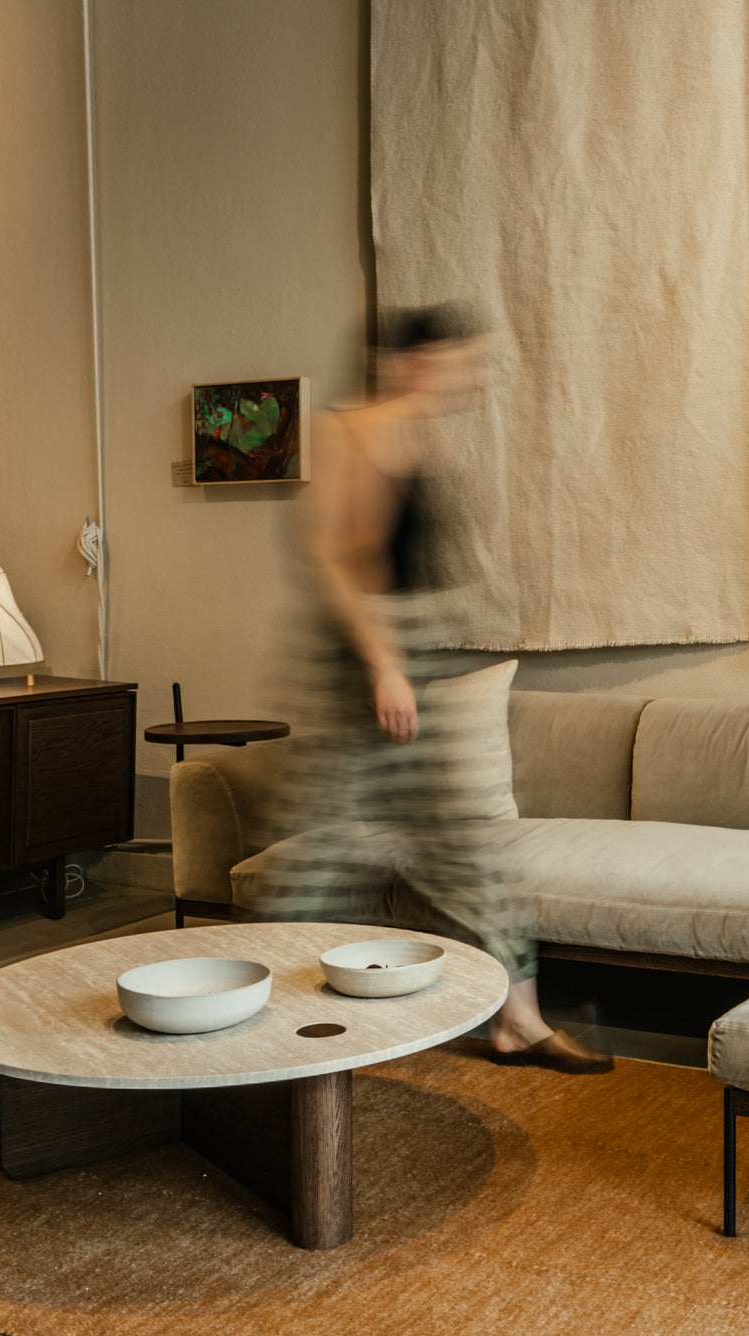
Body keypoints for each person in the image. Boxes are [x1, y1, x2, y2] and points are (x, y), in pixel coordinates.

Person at [256, 305, 611, 1075]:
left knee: (469, 849)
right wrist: (384, 665)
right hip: (361, 663)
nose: (473, 377)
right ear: (415, 362)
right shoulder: (353, 432)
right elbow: (338, 561)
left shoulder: (419, 439)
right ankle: (246, 1019)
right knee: (317, 860)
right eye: (462, 361)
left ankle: (519, 1022)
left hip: (402, 658)